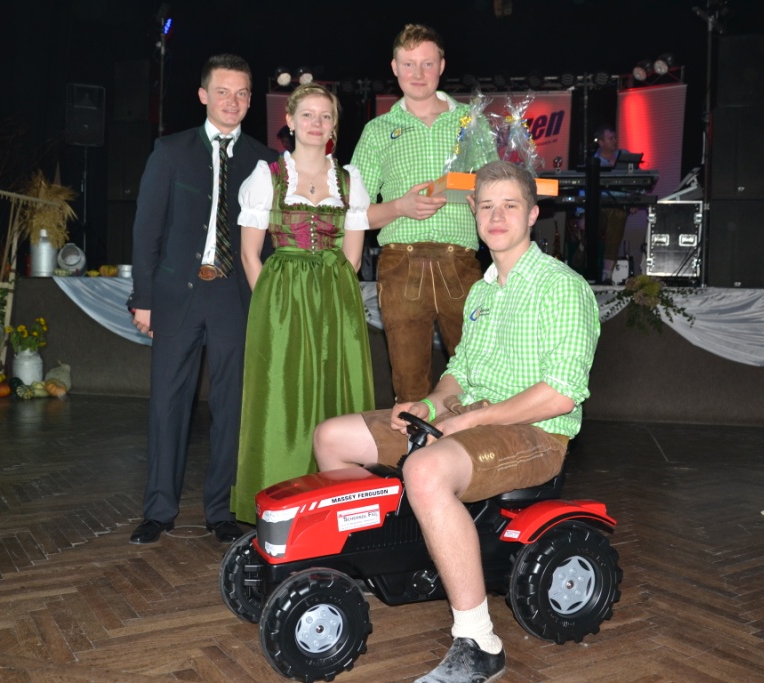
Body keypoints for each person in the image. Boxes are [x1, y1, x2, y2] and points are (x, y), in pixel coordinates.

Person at [313, 161, 600, 683]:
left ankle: (479, 642)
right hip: (473, 417)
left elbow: (560, 395)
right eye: (486, 206)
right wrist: (429, 405)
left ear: (532, 214)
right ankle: (367, 565)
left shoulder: (562, 287)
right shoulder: (483, 291)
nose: (497, 216)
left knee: (424, 469)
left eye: (510, 205)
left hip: (537, 433)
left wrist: (471, 420)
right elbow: (460, 374)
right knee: (332, 437)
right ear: (473, 211)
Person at [127, 54, 276, 545]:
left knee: (232, 407)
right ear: (203, 95)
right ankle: (158, 510)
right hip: (178, 297)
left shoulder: (265, 161)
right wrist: (143, 298)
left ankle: (222, 510)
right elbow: (146, 230)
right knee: (167, 404)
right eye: (223, 91)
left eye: (242, 93)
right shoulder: (170, 151)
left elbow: (268, 241)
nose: (233, 101)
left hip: (235, 297)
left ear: (250, 101)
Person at [229, 83, 374, 523]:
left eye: (325, 116)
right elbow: (250, 255)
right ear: (290, 121)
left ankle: (339, 506)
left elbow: (352, 259)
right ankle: (282, 501)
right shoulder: (267, 176)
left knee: (336, 392)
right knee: (282, 396)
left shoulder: (349, 180)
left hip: (335, 301)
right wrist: (273, 309)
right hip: (281, 303)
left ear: (334, 126)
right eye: (307, 115)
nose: (316, 123)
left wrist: (332, 301)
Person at [351, 23, 498, 403]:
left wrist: (482, 200)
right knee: (409, 390)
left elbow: (496, 196)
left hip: (462, 261)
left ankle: (475, 443)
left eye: (427, 63)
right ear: (394, 67)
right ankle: (414, 442)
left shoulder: (472, 122)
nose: (418, 73)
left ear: (442, 66)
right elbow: (355, 214)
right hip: (400, 264)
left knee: (478, 383)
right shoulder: (377, 131)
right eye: (409, 64)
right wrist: (400, 207)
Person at [582, 124, 634, 283]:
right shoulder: (593, 161)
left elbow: (635, 181)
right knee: (593, 232)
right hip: (598, 205)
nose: (615, 141)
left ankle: (606, 276)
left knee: (614, 235)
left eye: (615, 138)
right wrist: (582, 213)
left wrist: (633, 199)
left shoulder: (625, 156)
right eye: (611, 138)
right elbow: (584, 188)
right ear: (601, 142)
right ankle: (582, 254)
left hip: (618, 205)